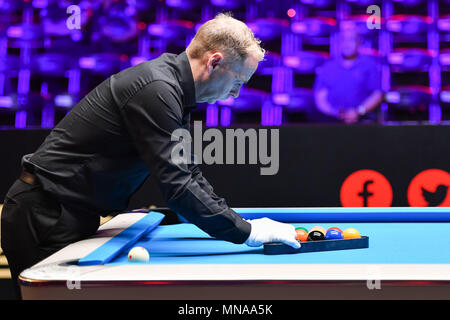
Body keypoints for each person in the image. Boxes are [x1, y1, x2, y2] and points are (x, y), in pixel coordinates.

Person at [1, 13, 299, 299]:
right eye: (237, 82)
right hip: (44, 214)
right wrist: (247, 232)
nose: (234, 95)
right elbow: (179, 186)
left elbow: (188, 173)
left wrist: (237, 222)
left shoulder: (172, 89)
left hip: (63, 211)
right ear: (215, 62)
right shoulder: (157, 89)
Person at [314, 23, 384, 124]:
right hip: (332, 122)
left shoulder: (369, 65)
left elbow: (377, 94)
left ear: (358, 42)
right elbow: (320, 97)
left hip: (363, 122)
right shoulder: (328, 67)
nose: (347, 44)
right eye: (344, 40)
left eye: (351, 40)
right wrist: (335, 112)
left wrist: (358, 111)